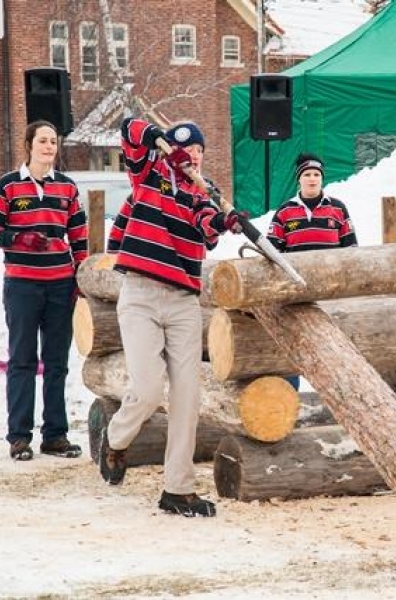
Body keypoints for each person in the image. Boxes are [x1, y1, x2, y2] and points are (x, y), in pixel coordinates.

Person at [99, 118, 243, 517]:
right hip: (141, 295)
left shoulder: (202, 194)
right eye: (185, 149)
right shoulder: (149, 175)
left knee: (187, 397)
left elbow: (207, 226)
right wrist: (155, 142)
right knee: (147, 390)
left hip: (183, 301)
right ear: (172, 151)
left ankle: (177, 490)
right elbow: (129, 129)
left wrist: (226, 220)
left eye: (198, 150)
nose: (192, 155)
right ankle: (115, 439)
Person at [0, 120, 87, 461]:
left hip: (60, 284)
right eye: (42, 140)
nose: (49, 146)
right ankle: (19, 437)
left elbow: (78, 234)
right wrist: (19, 239)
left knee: (57, 362)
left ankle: (55, 435)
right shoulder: (8, 186)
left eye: (53, 141)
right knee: (22, 359)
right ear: (28, 144)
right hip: (22, 284)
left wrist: (81, 275)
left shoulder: (66, 188)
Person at [267, 153, 358, 389]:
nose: (312, 179)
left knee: (336, 345)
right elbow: (270, 254)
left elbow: (352, 251)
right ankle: (290, 391)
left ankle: (341, 391)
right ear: (299, 179)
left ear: (322, 178)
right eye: (307, 174)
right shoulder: (285, 212)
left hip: (331, 293)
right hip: (297, 293)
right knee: (294, 343)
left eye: (316, 175)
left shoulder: (338, 209)